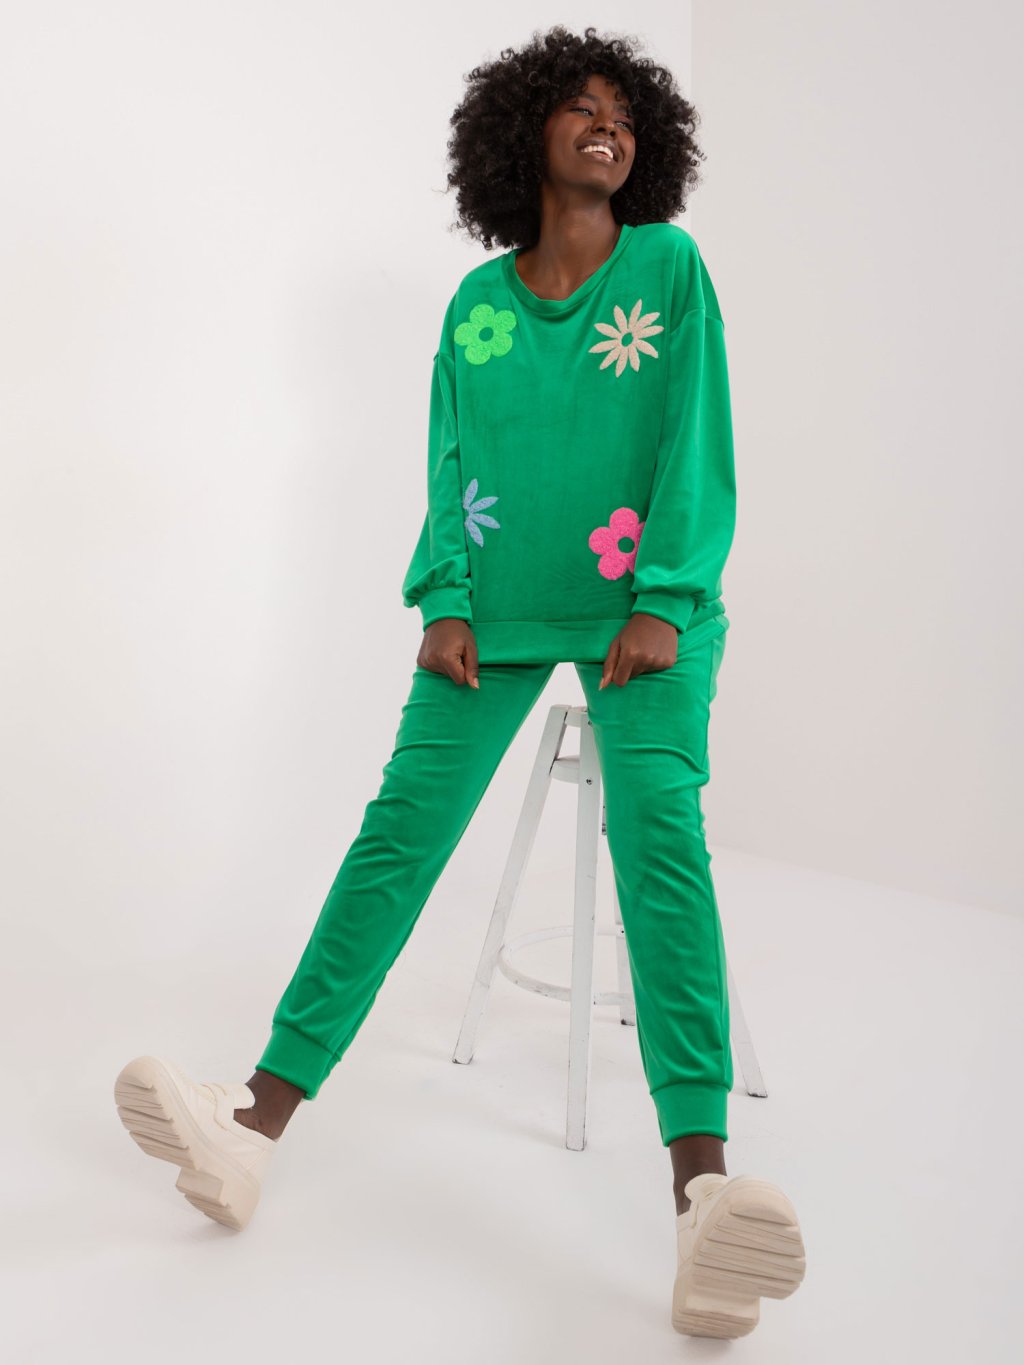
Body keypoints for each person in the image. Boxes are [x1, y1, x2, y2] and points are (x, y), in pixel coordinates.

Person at [114, 24, 806, 1339]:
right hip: (492, 609)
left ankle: (704, 1201)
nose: (607, 125)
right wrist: (444, 595)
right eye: (580, 107)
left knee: (659, 839)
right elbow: (450, 458)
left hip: (646, 611)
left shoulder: (669, 267)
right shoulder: (477, 305)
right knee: (399, 835)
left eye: (625, 112)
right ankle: (250, 1126)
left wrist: (664, 599)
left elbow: (696, 435)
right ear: (521, 133)